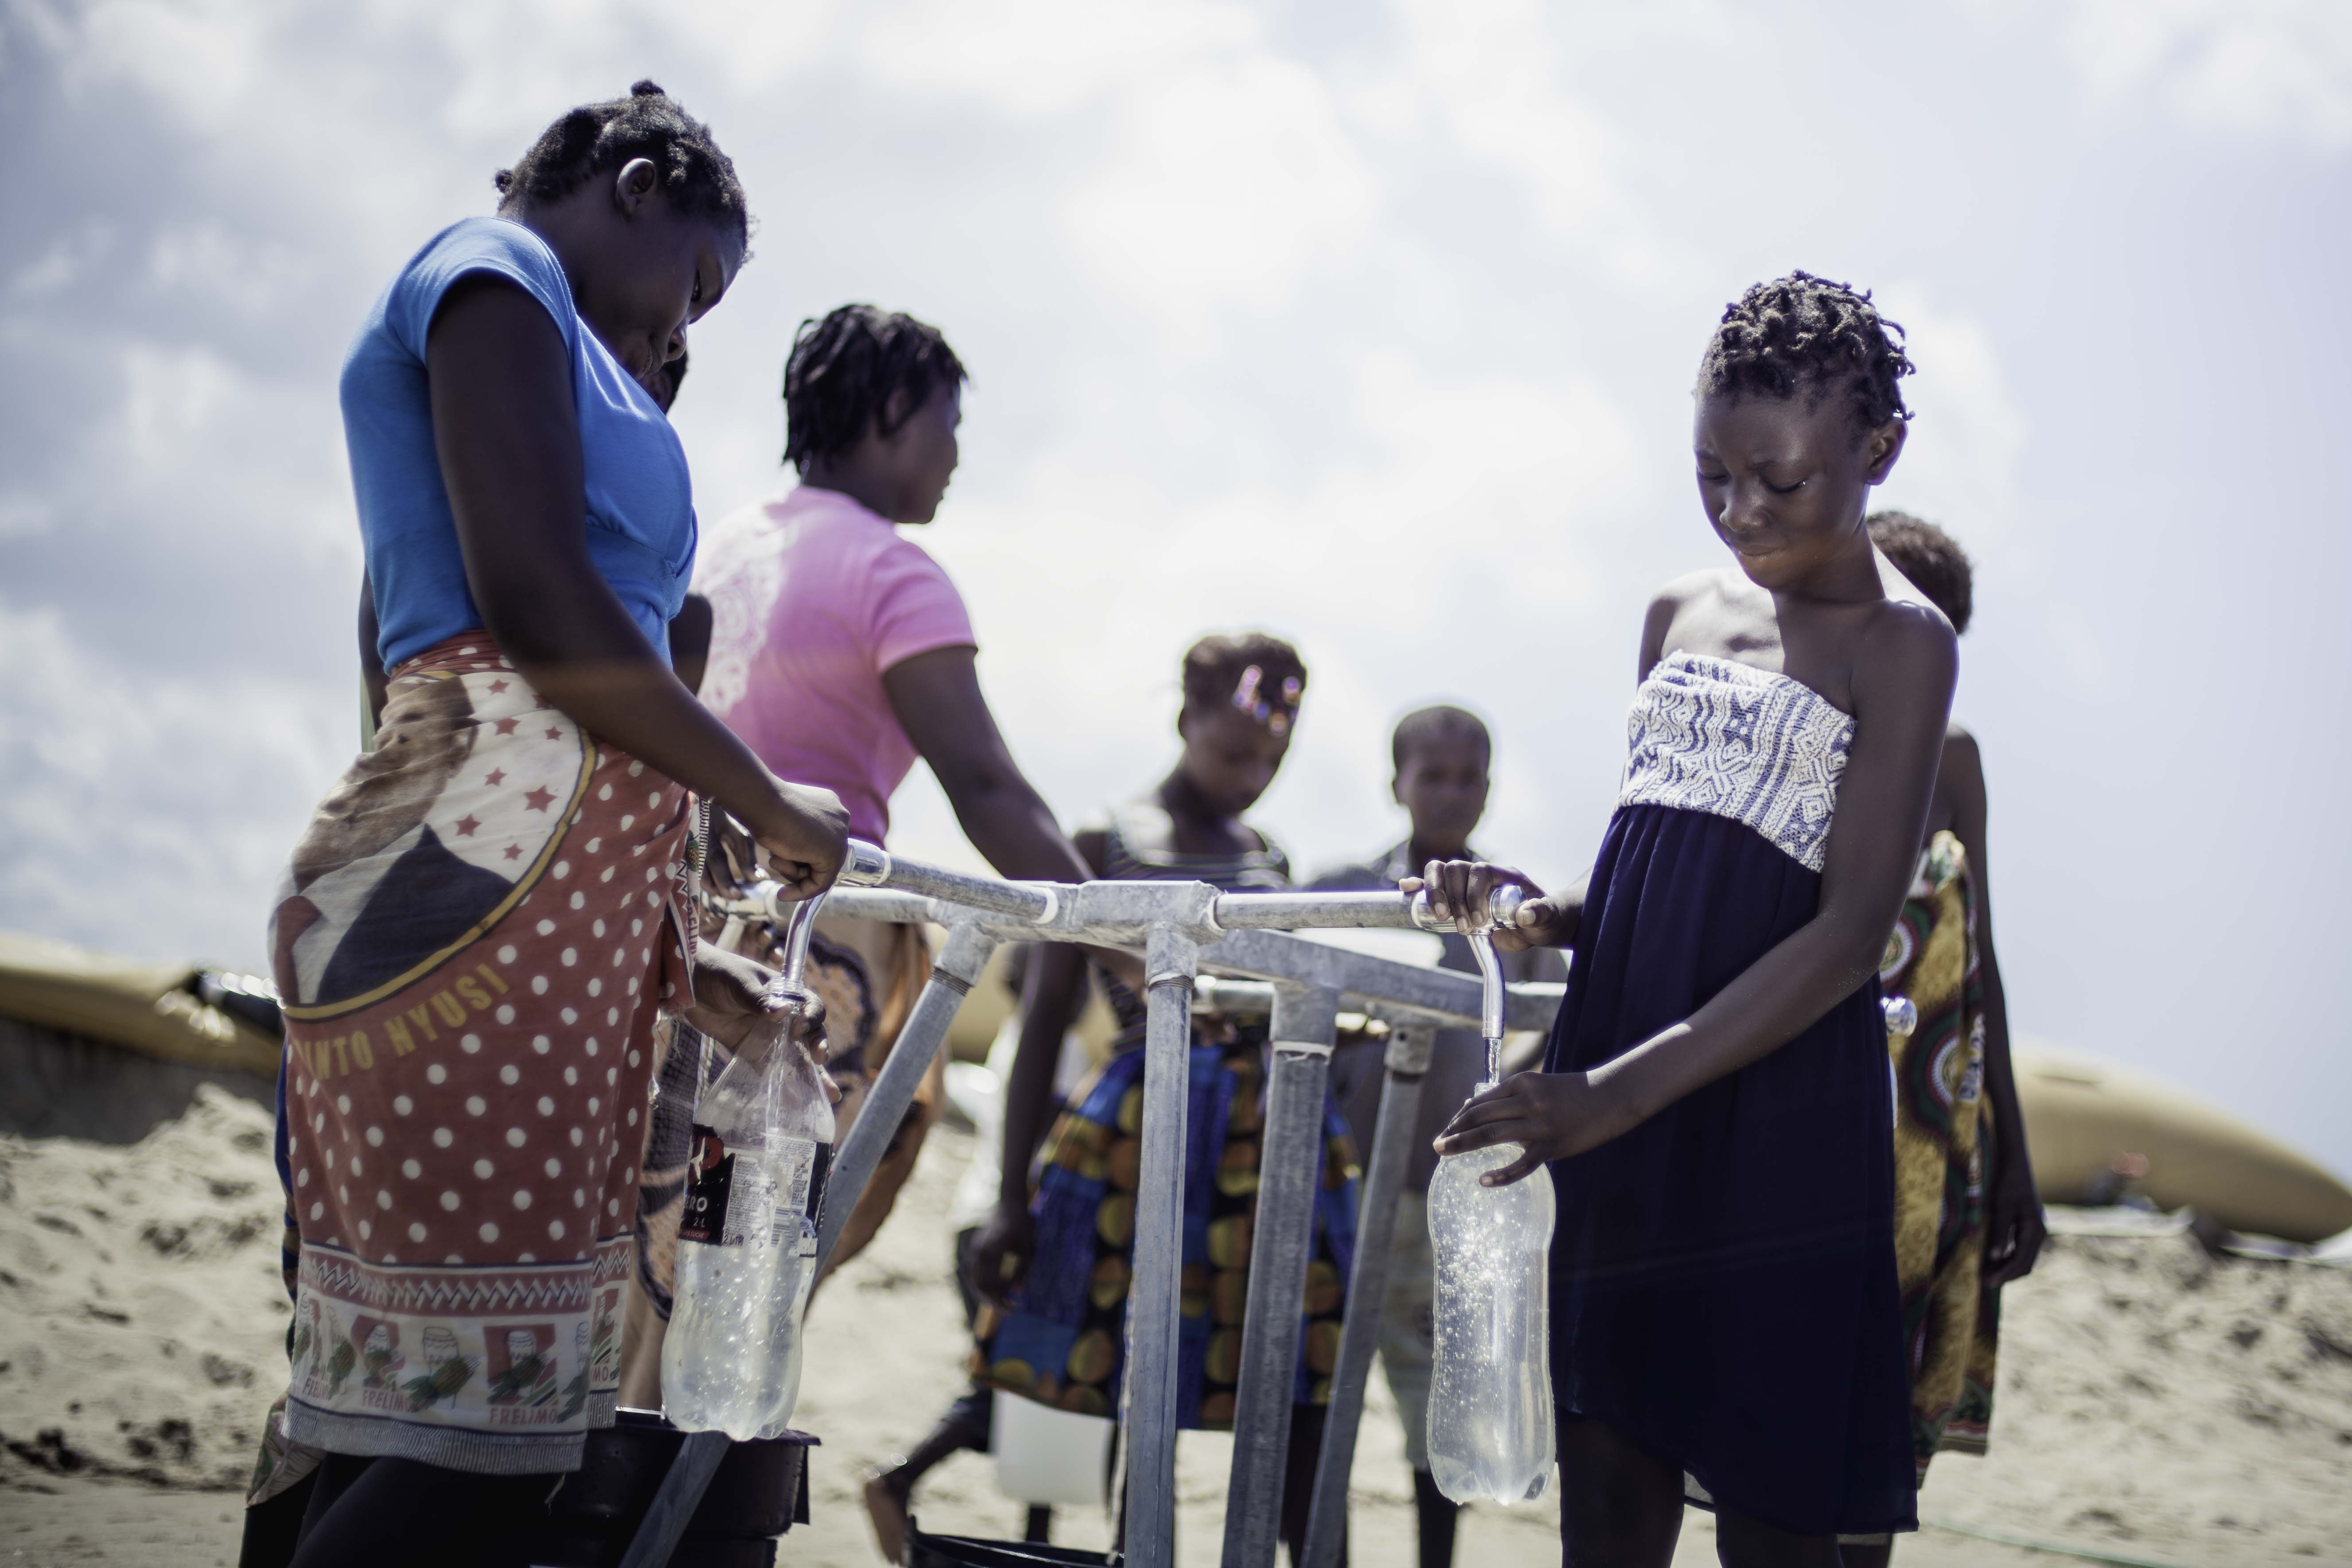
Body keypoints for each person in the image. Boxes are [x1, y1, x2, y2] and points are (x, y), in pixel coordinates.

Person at [248, 83, 847, 1568]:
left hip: (532, 910)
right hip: (478, 913)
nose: (685, 336)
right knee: (482, 1441)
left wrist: (667, 952)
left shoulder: (553, 351)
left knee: (418, 1410)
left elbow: (477, 668)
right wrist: (756, 795)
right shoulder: (490, 276)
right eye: (693, 286)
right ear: (638, 186)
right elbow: (526, 620)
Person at [1421, 272, 1952, 1566]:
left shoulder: (1900, 644)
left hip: (1766, 1116)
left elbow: (1845, 929)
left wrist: (1605, 1092)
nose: (1740, 512)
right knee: (1606, 1500)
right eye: (1711, 474)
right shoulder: (1674, 611)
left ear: (1877, 451)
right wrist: (1540, 911)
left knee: (1771, 1527)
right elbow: (1682, 856)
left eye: (1780, 480)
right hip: (1618, 1110)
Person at [622, 304, 1104, 1467]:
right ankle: (667, 1503)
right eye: (945, 424)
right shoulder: (897, 571)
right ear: (888, 414)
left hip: (675, 916)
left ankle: (601, 1488)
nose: (953, 455)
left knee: (648, 1247)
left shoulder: (720, 538)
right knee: (744, 1269)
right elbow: (988, 788)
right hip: (807, 943)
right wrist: (1107, 925)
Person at [969, 634, 1357, 1567]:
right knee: (1136, 1377)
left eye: (1271, 761)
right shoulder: (1104, 841)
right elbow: (1044, 1029)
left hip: (1276, 1137)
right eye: (1233, 754)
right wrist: (1011, 1194)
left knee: (1291, 1381)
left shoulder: (1268, 853)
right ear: (1185, 722)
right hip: (1144, 1137)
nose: (1250, 779)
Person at [1306, 704, 1565, 1568]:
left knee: (1433, 1398)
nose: (1451, 793)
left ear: (1487, 786)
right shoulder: (1350, 892)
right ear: (1396, 784)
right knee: (1322, 1397)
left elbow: (1549, 1020)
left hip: (1441, 1194)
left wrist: (1503, 1086)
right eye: (1433, 775)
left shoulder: (1516, 911)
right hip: (1339, 1191)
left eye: (1468, 777)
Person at [1839, 512, 2044, 1568]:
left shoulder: (1953, 761)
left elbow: (1980, 959)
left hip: (1927, 1142)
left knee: (1881, 1428)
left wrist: (2010, 1155)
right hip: (1816, 1117)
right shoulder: (1805, 738)